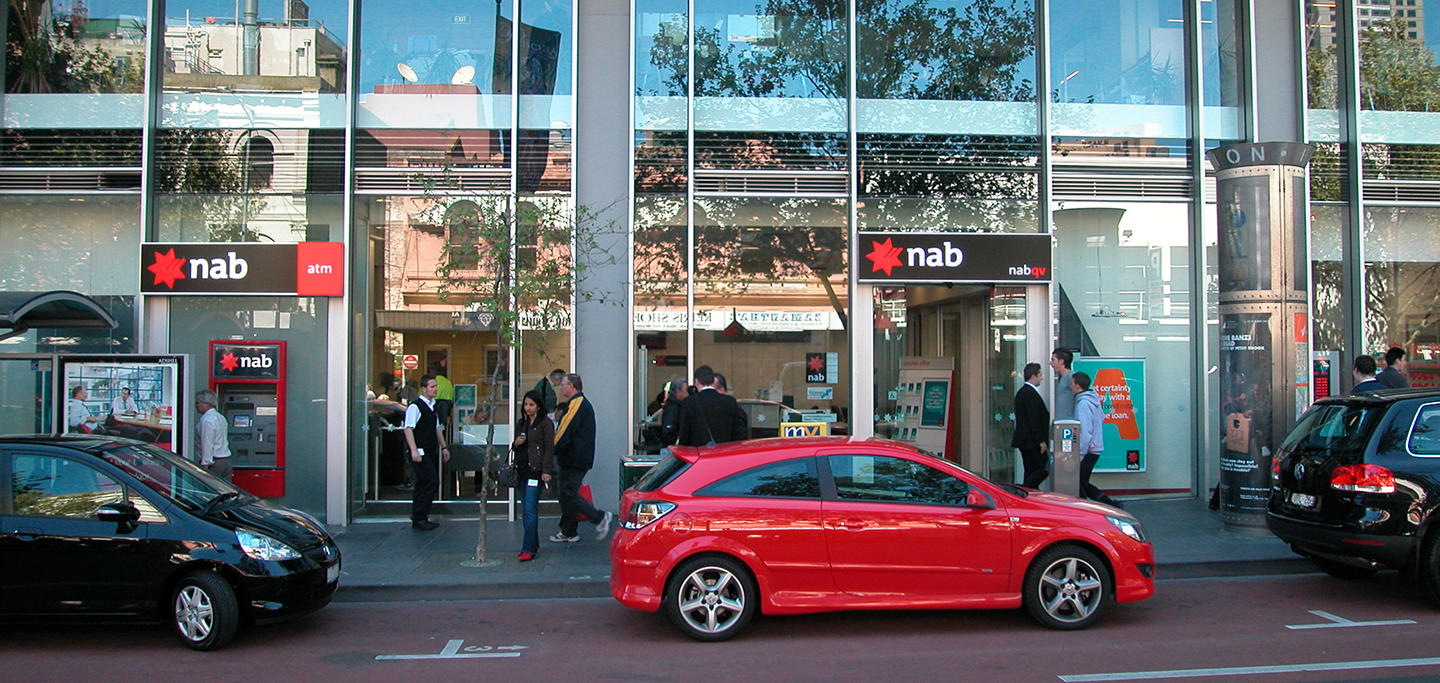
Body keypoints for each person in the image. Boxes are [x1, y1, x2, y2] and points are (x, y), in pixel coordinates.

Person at [549, 373, 613, 543]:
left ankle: (599, 517)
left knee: (568, 493)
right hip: (575, 456)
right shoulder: (578, 403)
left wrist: (552, 450)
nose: (561, 388)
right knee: (565, 494)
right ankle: (569, 531)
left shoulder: (577, 404)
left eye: (563, 384)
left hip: (574, 457)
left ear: (573, 386)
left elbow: (564, 431)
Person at [511, 389, 554, 561]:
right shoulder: (522, 423)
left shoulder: (545, 423)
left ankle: (528, 547)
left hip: (535, 471)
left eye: (531, 405)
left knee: (529, 509)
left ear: (538, 406)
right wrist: (516, 443)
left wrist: (546, 471)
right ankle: (532, 545)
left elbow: (549, 448)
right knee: (526, 509)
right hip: (521, 469)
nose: (528, 408)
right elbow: (515, 447)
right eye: (526, 404)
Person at [403, 374, 449, 530]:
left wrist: (444, 447)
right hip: (420, 451)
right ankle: (420, 516)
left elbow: (436, 428)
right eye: (432, 386)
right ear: (423, 389)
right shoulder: (415, 407)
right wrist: (414, 450)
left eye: (435, 386)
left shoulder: (432, 406)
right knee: (431, 481)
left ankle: (419, 517)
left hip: (429, 450)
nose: (435, 389)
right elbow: (408, 428)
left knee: (423, 483)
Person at [1073, 372, 1122, 508]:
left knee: (1078, 482)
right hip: (1094, 448)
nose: (1070, 387)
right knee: (1082, 481)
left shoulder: (1083, 404)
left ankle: (1086, 508)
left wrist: (1081, 453)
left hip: (1089, 449)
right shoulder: (1093, 400)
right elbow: (1100, 419)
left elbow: (1085, 430)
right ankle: (1110, 504)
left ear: (1077, 386)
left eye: (1072, 384)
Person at [677, 365, 748, 447]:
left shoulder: (689, 402)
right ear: (713, 380)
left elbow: (684, 434)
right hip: (724, 453)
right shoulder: (730, 401)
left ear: (696, 381)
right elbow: (738, 432)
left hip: (698, 454)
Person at [1012, 363, 1051, 489]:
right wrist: (1041, 441)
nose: (1041, 378)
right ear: (1033, 376)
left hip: (1027, 440)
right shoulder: (1029, 394)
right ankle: (1024, 488)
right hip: (1031, 441)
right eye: (1040, 375)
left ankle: (1030, 494)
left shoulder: (1024, 393)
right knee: (1042, 468)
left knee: (1031, 470)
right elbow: (1033, 419)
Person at [194, 390, 233, 481]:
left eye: (197, 403)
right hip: (226, 461)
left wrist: (205, 464)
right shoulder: (220, 417)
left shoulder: (207, 420)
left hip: (214, 463)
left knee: (209, 492)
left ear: (206, 403)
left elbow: (207, 443)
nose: (196, 405)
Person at [659, 379, 689, 448]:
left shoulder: (677, 405)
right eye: (686, 390)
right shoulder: (673, 407)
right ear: (678, 391)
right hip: (671, 448)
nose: (688, 393)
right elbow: (669, 430)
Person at [1050, 348, 1077, 421]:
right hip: (1063, 423)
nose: (1050, 363)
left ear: (1061, 361)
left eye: (1053, 360)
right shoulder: (1063, 378)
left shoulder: (1071, 377)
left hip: (1068, 423)